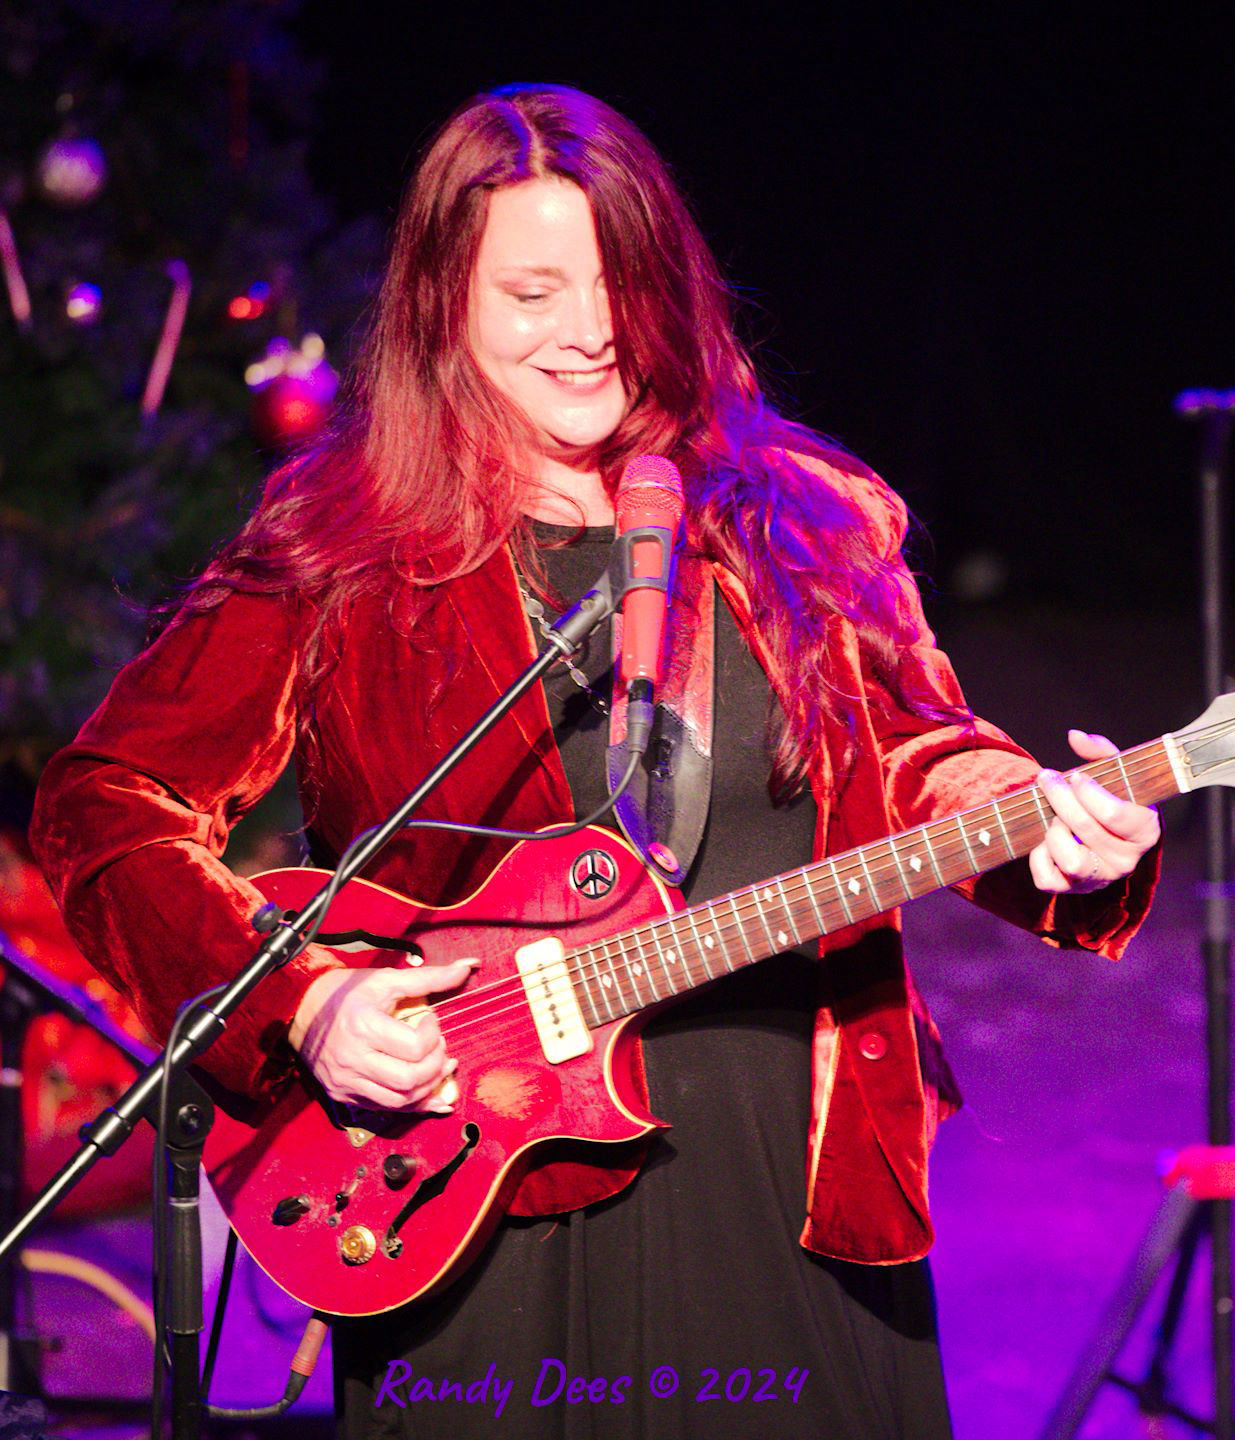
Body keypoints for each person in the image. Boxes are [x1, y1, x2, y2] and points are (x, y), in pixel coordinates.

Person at [30, 84, 1161, 1439]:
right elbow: (106, 805)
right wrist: (306, 1004)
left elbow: (919, 752)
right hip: (468, 1187)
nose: (591, 334)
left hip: (781, 1178)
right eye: (532, 294)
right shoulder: (338, 546)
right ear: (444, 304)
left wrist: (1038, 823)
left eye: (620, 280)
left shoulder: (807, 518)